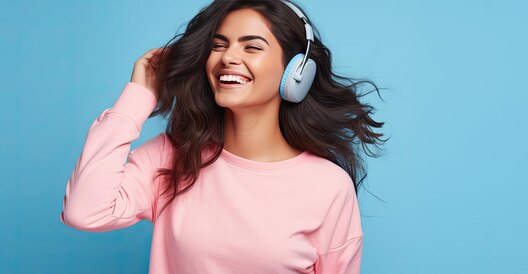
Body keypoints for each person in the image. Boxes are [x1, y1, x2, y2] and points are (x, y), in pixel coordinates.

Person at [60, 0, 386, 273]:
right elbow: (83, 210)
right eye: (219, 45)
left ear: (296, 72)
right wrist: (138, 97)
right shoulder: (174, 155)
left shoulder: (328, 186)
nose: (228, 57)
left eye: (251, 46)